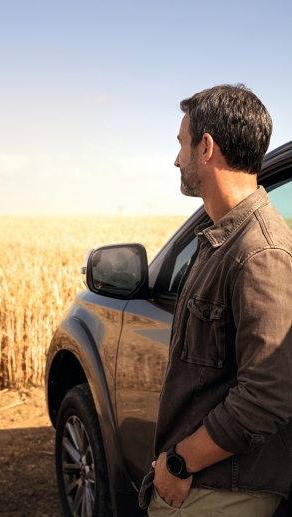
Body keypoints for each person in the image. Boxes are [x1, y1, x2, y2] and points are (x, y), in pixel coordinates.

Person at [140, 84, 292, 517]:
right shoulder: (221, 239)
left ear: (206, 147)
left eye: (182, 144)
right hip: (205, 487)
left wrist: (179, 462)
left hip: (221, 492)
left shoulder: (260, 253)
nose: (176, 159)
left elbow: (265, 397)